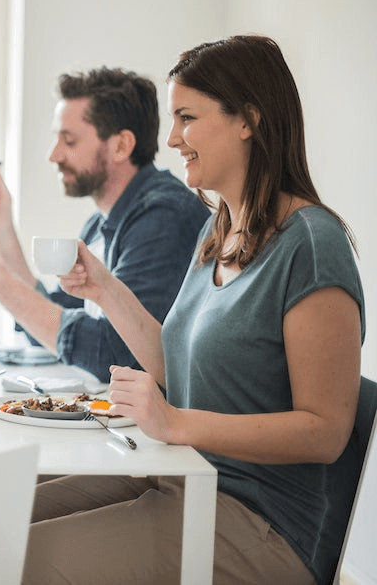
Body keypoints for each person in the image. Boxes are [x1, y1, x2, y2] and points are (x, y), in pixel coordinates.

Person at [22, 36, 364, 585]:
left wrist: (177, 423)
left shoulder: (311, 245)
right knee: (1, 515)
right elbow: (172, 365)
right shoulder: (218, 229)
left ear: (248, 119)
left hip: (261, 522)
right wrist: (104, 288)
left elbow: (325, 431)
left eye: (187, 117)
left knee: (23, 560)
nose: (174, 137)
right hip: (183, 476)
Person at [0, 68, 209, 381]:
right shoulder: (99, 224)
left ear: (121, 146)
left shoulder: (162, 218)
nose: (53, 155)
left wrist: (2, 286)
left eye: (68, 141)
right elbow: (54, 323)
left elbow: (115, 357)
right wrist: (2, 228)